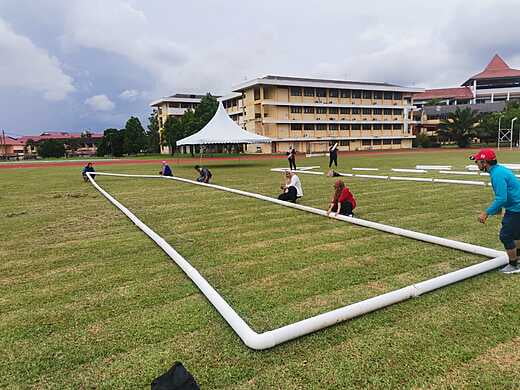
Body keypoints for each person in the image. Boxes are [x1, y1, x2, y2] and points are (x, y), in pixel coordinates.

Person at [471, 148, 520, 274]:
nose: (476, 164)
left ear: (484, 163)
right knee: (516, 235)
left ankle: (514, 265)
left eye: (477, 161)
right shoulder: (499, 170)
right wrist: (497, 209)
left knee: (506, 235)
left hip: (516, 207)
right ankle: (517, 259)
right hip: (515, 206)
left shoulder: (497, 174)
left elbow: (502, 198)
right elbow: (505, 195)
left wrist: (486, 212)